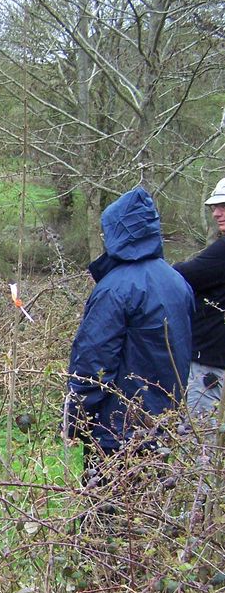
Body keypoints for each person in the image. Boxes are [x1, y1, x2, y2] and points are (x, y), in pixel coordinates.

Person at [65, 186, 193, 470]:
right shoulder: (176, 282)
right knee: (149, 510)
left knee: (106, 510)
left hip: (118, 430)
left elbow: (93, 365)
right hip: (164, 425)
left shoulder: (115, 289)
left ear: (116, 233)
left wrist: (74, 420)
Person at [173, 177, 225, 419]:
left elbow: (181, 276)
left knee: (200, 442)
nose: (216, 213)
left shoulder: (222, 253)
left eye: (223, 206)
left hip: (211, 365)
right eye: (214, 207)